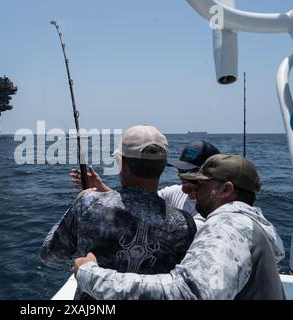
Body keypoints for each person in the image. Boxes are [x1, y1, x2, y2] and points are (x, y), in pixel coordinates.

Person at [74, 154, 286, 300]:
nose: (192, 191)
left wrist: (90, 274)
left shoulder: (228, 226)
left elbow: (187, 293)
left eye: (201, 184)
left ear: (226, 190)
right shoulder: (250, 225)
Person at [41, 125, 197, 299]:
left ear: (122, 164)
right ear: (163, 167)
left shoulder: (87, 204)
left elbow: (51, 256)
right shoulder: (185, 223)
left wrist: (77, 205)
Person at [71, 140, 220, 229]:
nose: (183, 176)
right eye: (181, 169)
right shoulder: (175, 192)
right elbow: (141, 204)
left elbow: (182, 231)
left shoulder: (215, 210)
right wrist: (101, 187)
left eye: (191, 171)